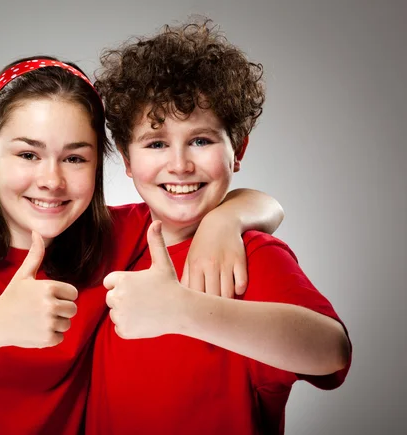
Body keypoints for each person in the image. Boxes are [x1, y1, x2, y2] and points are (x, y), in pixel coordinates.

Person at [0, 55, 284, 434]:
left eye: (75, 158)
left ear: (102, 161)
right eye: (28, 154)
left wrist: (225, 219)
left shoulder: (117, 238)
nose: (52, 180)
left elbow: (248, 202)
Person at [83, 19, 352, 434]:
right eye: (156, 143)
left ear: (238, 149)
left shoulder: (251, 254)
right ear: (127, 156)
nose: (180, 164)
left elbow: (330, 351)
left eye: (201, 140)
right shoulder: (105, 234)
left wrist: (183, 310)